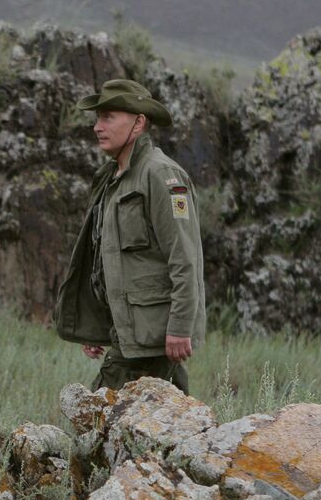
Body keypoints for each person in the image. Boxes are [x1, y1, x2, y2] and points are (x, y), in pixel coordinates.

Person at [53, 78, 206, 393]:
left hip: (154, 337)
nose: (98, 127)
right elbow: (105, 264)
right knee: (166, 429)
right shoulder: (111, 180)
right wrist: (97, 329)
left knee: (98, 418)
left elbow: (184, 257)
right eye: (97, 118)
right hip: (131, 335)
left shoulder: (162, 176)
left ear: (138, 123)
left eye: (108, 117)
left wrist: (179, 328)